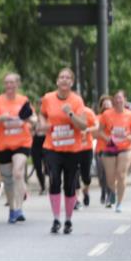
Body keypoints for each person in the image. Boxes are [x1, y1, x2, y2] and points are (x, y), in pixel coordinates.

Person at [39, 68, 88, 234]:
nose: (64, 80)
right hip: (52, 148)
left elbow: (83, 125)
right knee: (54, 181)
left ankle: (68, 220)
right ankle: (56, 219)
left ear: (72, 82)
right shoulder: (48, 98)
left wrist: (71, 114)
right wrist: (43, 124)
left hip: (72, 149)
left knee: (69, 185)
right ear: (57, 81)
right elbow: (42, 115)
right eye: (62, 77)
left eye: (68, 78)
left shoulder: (77, 100)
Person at [0, 73, 37, 223]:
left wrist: (28, 118)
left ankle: (19, 209)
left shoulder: (24, 101)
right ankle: (12, 207)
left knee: (17, 173)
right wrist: (1, 118)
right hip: (3, 145)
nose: (9, 85)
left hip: (22, 143)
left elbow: (34, 119)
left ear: (17, 84)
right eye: (7, 83)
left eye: (12, 83)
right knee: (8, 180)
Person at [97, 90, 131, 212]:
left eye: (120, 98)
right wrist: (107, 138)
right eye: (116, 98)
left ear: (125, 99)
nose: (118, 100)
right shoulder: (107, 114)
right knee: (110, 178)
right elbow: (100, 131)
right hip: (109, 147)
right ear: (113, 100)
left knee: (121, 174)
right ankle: (113, 192)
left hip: (126, 147)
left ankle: (119, 203)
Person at [75, 102, 98, 209]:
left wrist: (87, 129)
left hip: (86, 147)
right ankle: (77, 199)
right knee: (74, 173)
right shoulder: (70, 113)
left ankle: (86, 190)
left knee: (86, 176)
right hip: (73, 148)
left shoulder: (88, 112)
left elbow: (96, 126)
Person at [30, 98, 48, 196]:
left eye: (42, 104)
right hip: (36, 143)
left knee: (49, 166)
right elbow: (30, 130)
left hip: (46, 142)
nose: (40, 106)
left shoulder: (49, 117)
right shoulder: (33, 117)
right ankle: (43, 186)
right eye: (39, 104)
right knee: (37, 166)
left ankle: (54, 184)